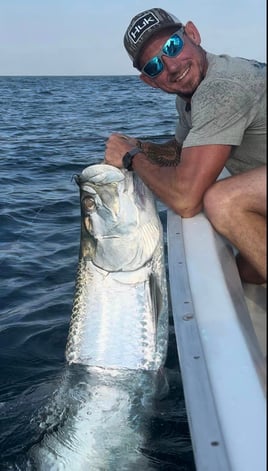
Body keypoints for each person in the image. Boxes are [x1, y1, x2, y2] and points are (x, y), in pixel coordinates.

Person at [104, 8, 266, 284]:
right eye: (154, 66)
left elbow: (186, 200)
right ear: (149, 81)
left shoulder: (220, 89)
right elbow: (179, 152)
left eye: (173, 46)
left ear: (192, 34)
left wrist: (131, 157)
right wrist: (139, 145)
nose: (172, 67)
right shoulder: (193, 93)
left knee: (222, 202)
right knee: (242, 275)